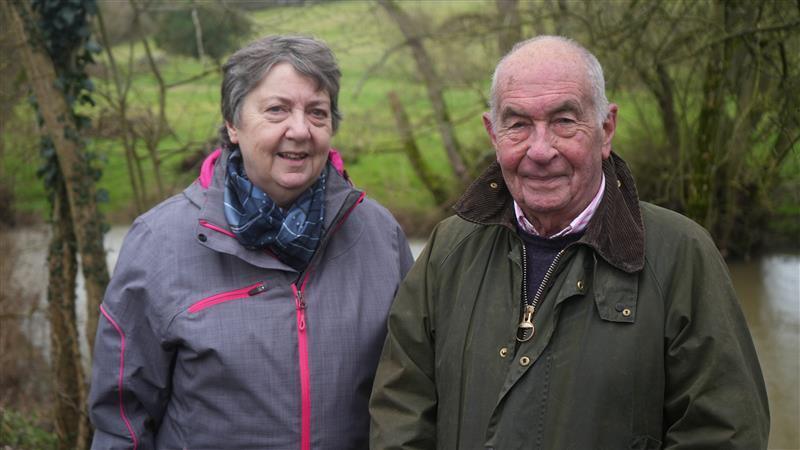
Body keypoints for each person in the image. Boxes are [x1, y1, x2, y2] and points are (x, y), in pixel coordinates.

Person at [369, 35, 769, 449]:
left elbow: (723, 432)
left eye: (564, 121)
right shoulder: (447, 250)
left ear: (606, 128)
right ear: (493, 133)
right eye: (518, 124)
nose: (541, 150)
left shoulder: (682, 255)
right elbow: (401, 408)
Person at [88, 35, 414, 449]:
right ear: (233, 124)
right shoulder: (159, 243)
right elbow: (122, 423)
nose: (300, 130)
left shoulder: (379, 235)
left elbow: (411, 396)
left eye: (317, 112)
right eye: (277, 110)